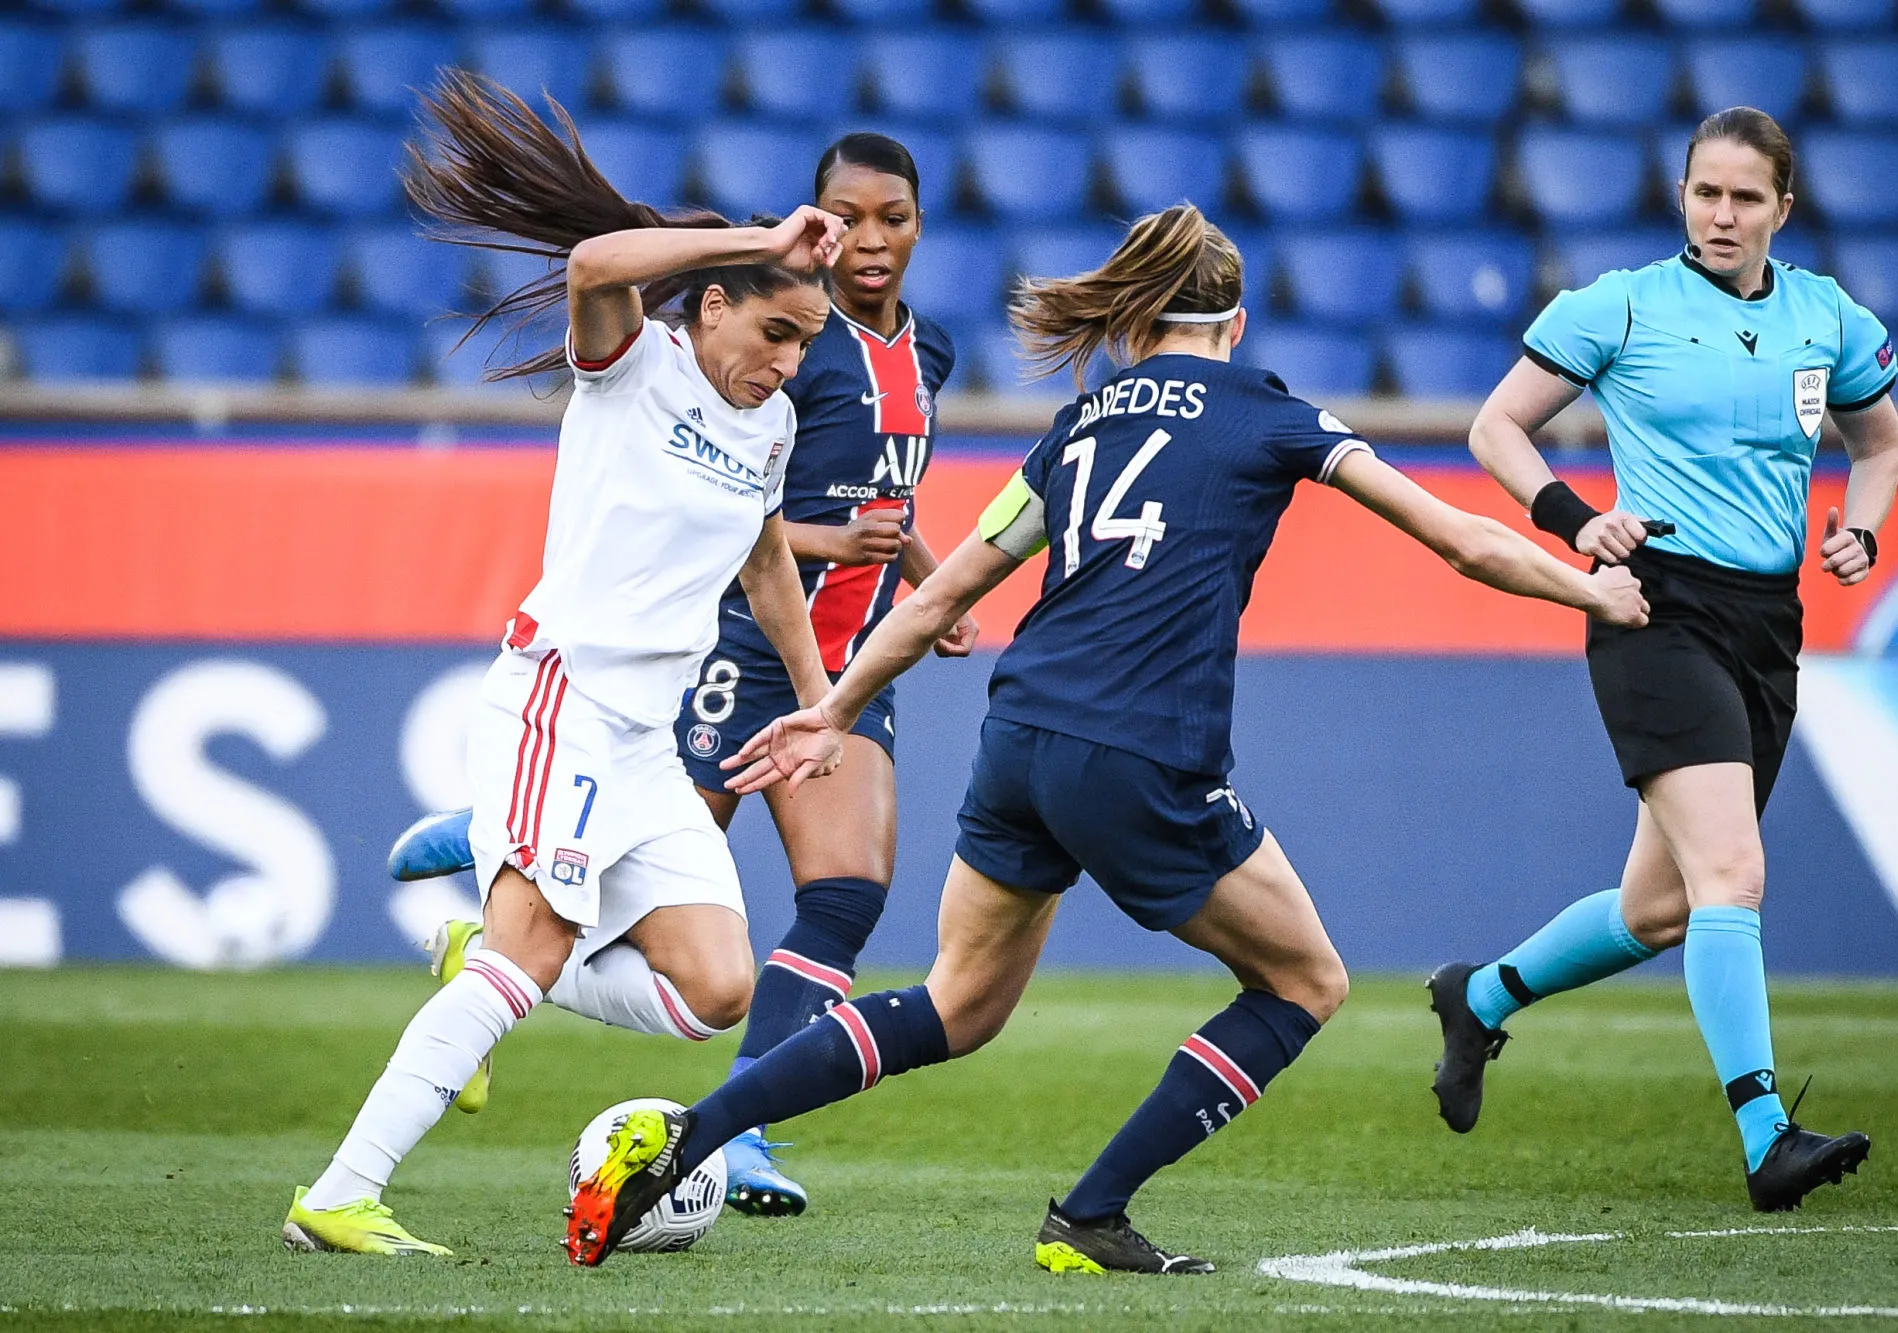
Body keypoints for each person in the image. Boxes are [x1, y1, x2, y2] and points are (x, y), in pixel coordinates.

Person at [562, 204, 1650, 1272]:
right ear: (1234, 320)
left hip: (1019, 740)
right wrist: (1589, 592)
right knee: (1304, 982)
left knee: (957, 1003)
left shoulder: (1080, 425)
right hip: (1140, 753)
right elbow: (1458, 539)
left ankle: (687, 1137)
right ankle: (1090, 1212)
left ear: (1139, 321)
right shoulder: (1270, 414)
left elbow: (946, 592)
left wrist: (835, 706)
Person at [281, 71, 845, 1256]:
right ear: (708, 307)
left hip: (647, 743)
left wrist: (819, 704)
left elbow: (765, 565)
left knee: (716, 990)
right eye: (773, 330)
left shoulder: (772, 425)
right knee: (531, 952)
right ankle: (340, 1191)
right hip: (562, 701)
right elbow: (593, 263)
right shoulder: (631, 362)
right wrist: (761, 232)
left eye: (804, 343)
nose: (787, 361)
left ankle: (467, 950)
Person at [384, 132, 973, 1217]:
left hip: (849, 665)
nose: (874, 239)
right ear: (818, 222)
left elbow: (880, 492)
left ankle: (741, 1128)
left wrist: (934, 589)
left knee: (841, 898)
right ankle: (491, 835)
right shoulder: (792, 334)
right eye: (853, 216)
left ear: (918, 223)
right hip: (737, 654)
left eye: (894, 216)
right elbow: (746, 525)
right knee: (621, 884)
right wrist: (831, 554)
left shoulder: (927, 349)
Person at [1426, 107, 1898, 1213]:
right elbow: (1495, 427)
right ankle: (1763, 1134)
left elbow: (1876, 440)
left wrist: (1863, 527)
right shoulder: (1623, 302)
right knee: (1731, 874)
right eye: (1704, 193)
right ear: (1680, 196)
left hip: (1762, 625)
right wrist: (1574, 520)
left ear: (1783, 205)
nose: (1721, 215)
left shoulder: (1825, 316)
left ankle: (1479, 994)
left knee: (1662, 909)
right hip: (1653, 608)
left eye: (1744, 197)